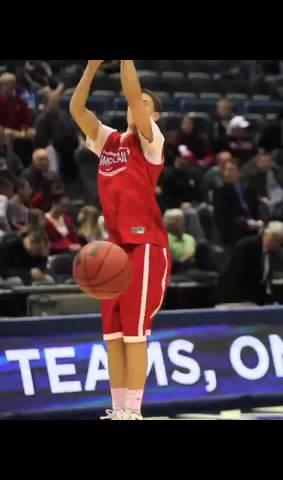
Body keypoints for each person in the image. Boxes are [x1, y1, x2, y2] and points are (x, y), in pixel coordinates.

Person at [70, 60, 171, 420]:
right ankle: (118, 410)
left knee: (135, 335)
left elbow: (131, 89)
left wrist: (125, 61)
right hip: (116, 250)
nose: (135, 104)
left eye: (144, 103)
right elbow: (76, 109)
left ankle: (134, 412)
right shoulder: (108, 140)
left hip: (146, 245)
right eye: (133, 101)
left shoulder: (151, 141)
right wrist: (93, 66)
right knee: (112, 338)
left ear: (155, 115)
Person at [217, 221, 283, 306]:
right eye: (279, 242)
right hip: (234, 300)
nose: (279, 246)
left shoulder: (271, 254)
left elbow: (263, 281)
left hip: (253, 301)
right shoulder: (246, 246)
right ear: (271, 238)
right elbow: (235, 276)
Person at [164, 209, 197, 274]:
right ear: (168, 223)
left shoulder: (190, 238)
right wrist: (184, 260)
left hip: (194, 271)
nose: (183, 223)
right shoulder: (163, 240)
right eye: (178, 220)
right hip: (174, 273)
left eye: (182, 220)